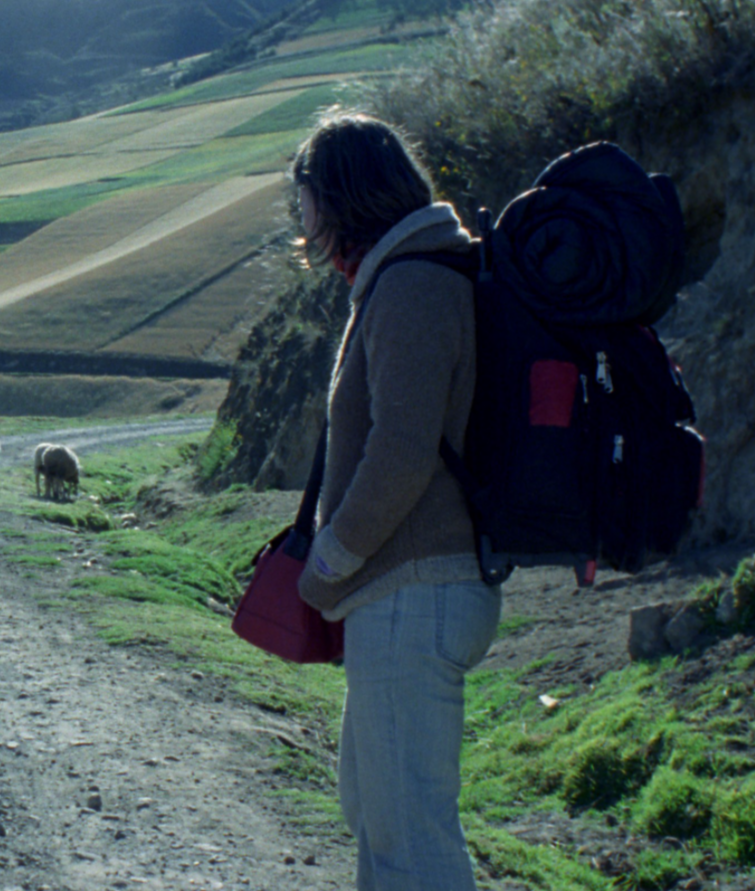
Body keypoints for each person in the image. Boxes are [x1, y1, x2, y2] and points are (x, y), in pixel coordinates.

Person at [291, 112, 500, 891]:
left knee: (412, 837)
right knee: (380, 818)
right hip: (413, 591)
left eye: (306, 196)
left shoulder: (412, 284)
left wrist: (329, 559)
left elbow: (403, 448)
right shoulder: (405, 273)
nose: (302, 216)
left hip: (418, 591)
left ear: (341, 194)